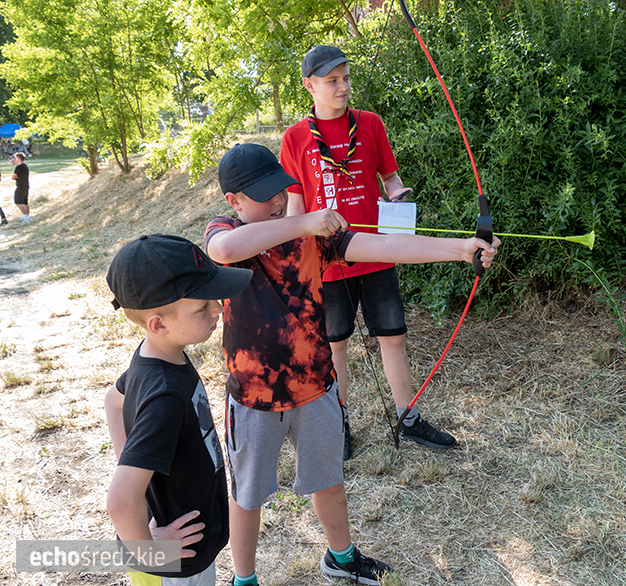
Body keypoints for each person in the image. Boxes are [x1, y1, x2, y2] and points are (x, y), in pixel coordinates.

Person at [205, 143, 499, 586]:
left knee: (329, 481)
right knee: (248, 495)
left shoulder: (310, 236)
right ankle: (243, 579)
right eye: (266, 195)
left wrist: (459, 250)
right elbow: (224, 250)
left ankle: (340, 558)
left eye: (281, 190)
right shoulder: (226, 229)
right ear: (234, 201)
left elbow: (383, 246)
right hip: (254, 396)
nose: (279, 201)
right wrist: (303, 219)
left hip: (317, 386)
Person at [280, 44, 455, 461]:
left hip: (378, 251)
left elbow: (390, 179)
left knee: (393, 336)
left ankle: (407, 418)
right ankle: (338, 423)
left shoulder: (371, 124)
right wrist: (294, 258)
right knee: (334, 344)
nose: (343, 87)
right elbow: (295, 208)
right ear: (310, 85)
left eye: (346, 78)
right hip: (326, 262)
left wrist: (399, 197)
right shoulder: (295, 138)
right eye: (332, 81)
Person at [103, 234, 253, 586]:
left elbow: (114, 401)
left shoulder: (154, 356)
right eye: (202, 308)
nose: (217, 308)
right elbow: (121, 501)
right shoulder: (166, 396)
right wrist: (148, 552)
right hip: (177, 567)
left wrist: (137, 471)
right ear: (159, 324)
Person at [11, 152, 30, 223]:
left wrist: (16, 177)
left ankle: (26, 216)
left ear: (18, 158)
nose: (15, 159)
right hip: (26, 186)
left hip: (20, 186)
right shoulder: (25, 166)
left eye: (15, 158)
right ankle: (27, 216)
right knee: (25, 202)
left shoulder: (19, 167)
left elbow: (13, 177)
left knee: (18, 202)